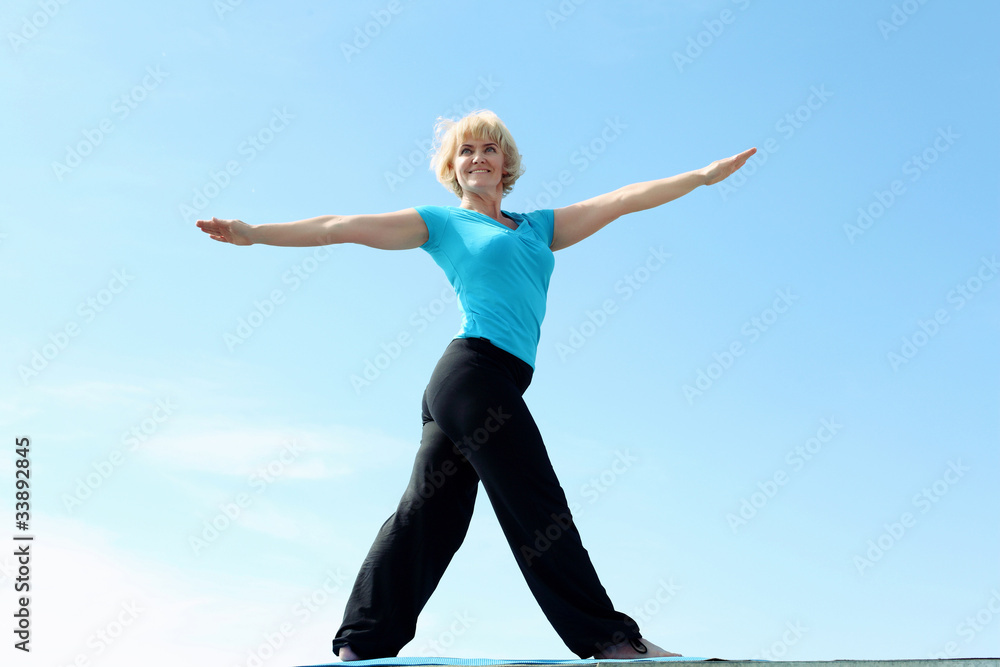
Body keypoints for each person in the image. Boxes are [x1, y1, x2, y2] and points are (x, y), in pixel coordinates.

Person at [196, 109, 755, 661]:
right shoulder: (441, 223)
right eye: (466, 150)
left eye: (489, 149)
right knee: (536, 502)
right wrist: (255, 234)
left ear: (506, 163)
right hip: (473, 375)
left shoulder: (538, 227)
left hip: (487, 383)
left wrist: (702, 177)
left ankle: (361, 647)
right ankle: (611, 641)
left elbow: (625, 198)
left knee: (430, 514)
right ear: (453, 168)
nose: (478, 158)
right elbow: (340, 227)